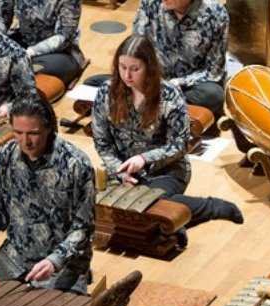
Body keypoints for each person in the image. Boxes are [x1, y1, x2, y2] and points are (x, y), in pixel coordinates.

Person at [91, 35, 243, 244]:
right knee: (85, 196)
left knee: (153, 203)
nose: (127, 75)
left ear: (149, 67)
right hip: (123, 171)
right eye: (122, 66)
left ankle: (211, 207)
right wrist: (119, 170)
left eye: (135, 69)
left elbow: (179, 145)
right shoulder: (105, 93)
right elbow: (102, 143)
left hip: (166, 171)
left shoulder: (170, 94)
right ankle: (173, 225)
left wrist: (144, 158)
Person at [0, 96, 95, 295]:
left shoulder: (76, 164)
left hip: (62, 263)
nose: (25, 141)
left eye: (33, 133)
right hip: (16, 255)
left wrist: (54, 261)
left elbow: (83, 230)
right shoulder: (5, 156)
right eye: (18, 133)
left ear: (48, 129)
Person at [132, 0, 228, 117]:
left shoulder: (216, 14)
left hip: (188, 85)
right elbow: (136, 48)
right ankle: (167, 109)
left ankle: (156, 107)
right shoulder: (149, 3)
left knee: (214, 95)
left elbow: (214, 71)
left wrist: (176, 84)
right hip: (154, 79)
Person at [0, 0, 86, 87]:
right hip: (24, 41)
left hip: (59, 52)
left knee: (49, 67)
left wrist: (30, 52)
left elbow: (64, 36)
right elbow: (2, 17)